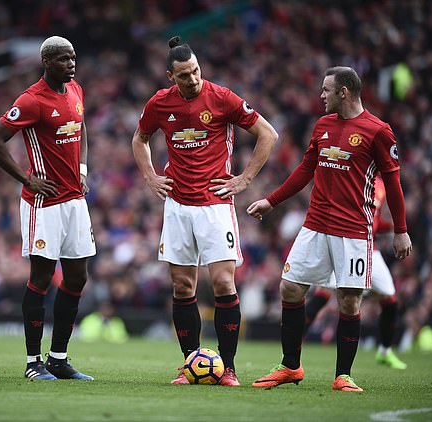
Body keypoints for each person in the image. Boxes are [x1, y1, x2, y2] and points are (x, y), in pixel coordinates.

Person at [247, 66, 412, 392]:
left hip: (353, 231)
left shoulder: (378, 131)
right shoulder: (322, 125)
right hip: (315, 225)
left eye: (326, 90)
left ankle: (343, 376)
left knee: (349, 301)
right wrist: (271, 201)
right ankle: (290, 366)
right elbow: (305, 169)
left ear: (344, 92)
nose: (321, 95)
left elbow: (393, 184)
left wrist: (401, 230)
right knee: (290, 288)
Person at [132, 36, 278, 386]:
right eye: (184, 75)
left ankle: (229, 368)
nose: (193, 79)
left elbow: (268, 134)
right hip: (177, 205)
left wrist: (245, 179)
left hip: (215, 205)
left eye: (196, 71)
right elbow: (139, 139)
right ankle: (191, 364)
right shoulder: (159, 103)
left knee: (224, 282)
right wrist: (150, 177)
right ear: (171, 76)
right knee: (182, 286)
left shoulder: (222, 98)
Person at [0, 36, 95, 381]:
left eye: (73, 58)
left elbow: (81, 127)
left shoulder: (75, 90)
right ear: (46, 62)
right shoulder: (31, 100)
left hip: (75, 199)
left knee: (77, 277)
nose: (71, 64)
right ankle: (33, 362)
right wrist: (26, 179)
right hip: (44, 203)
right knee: (42, 278)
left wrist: (82, 169)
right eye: (63, 59)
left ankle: (58, 359)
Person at [304, 176, 408, 370]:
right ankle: (295, 348)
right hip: (342, 242)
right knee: (323, 292)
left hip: (369, 248)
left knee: (390, 298)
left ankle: (385, 351)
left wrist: (392, 227)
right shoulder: (354, 174)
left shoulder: (381, 184)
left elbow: (373, 219)